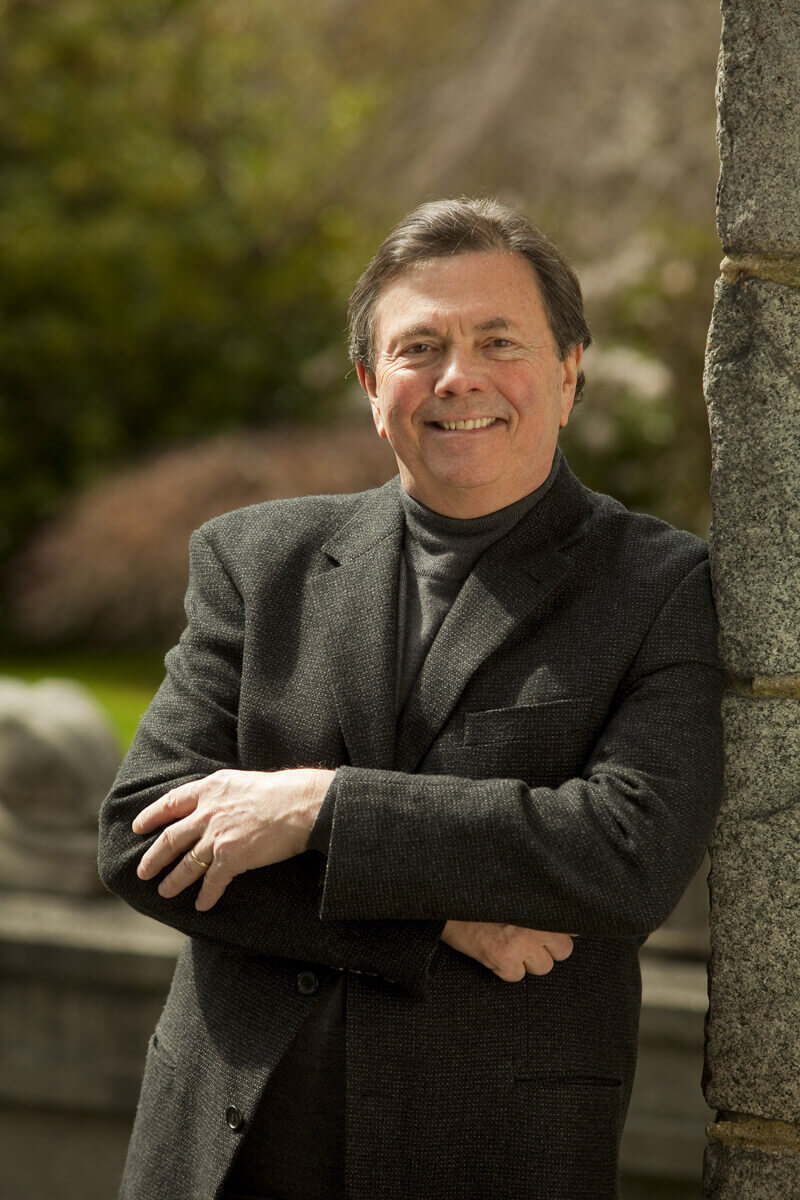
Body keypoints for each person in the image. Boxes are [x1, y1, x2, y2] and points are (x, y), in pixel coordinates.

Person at [97, 197, 724, 1200]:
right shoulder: (255, 561)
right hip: (227, 1149)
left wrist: (318, 807)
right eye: (418, 347)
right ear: (369, 384)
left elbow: (625, 852)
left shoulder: (660, 586)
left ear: (569, 372)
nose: (456, 377)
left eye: (498, 342)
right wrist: (427, 924)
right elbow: (143, 837)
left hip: (487, 1152)